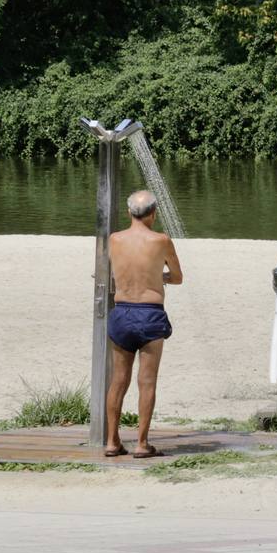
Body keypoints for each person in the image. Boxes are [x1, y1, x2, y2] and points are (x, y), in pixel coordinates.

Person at [104, 189, 182, 458]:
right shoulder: (161, 240)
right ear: (153, 214)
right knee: (146, 381)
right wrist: (159, 278)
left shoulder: (114, 239)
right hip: (149, 312)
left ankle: (112, 442)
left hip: (122, 312)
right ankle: (141, 443)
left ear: (129, 213)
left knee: (118, 381)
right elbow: (178, 276)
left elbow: (111, 270)